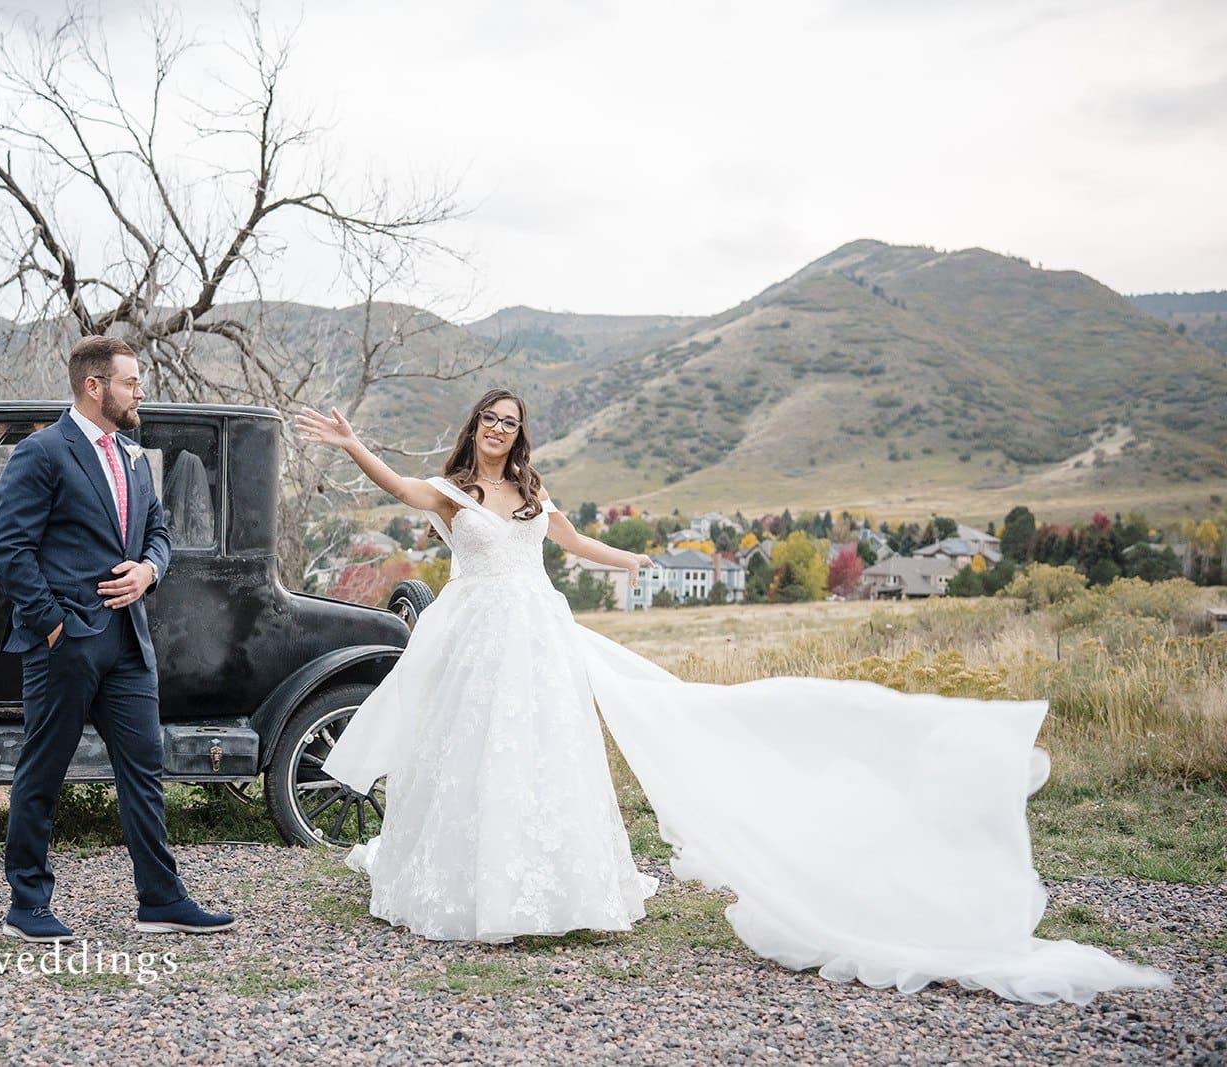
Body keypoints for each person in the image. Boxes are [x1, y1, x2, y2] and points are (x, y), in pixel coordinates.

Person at [296, 388, 1169, 1005]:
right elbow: (399, 489)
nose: (498, 430)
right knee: (471, 756)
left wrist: (635, 560)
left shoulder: (531, 490)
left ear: (521, 435)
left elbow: (573, 543)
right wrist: (351, 443)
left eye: (510, 422)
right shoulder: (453, 493)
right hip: (479, 643)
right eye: (489, 419)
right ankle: (464, 886)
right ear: (473, 429)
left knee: (543, 757)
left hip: (539, 639)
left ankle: (553, 891)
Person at [0, 335, 234, 941]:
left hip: (129, 644)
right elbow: (9, 549)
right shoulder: (42, 452)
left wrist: (150, 569)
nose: (140, 392)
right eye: (130, 382)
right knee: (44, 770)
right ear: (94, 386)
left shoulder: (133, 457)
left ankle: (161, 900)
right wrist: (53, 624)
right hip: (65, 643)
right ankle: (27, 905)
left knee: (144, 770)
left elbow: (159, 533)